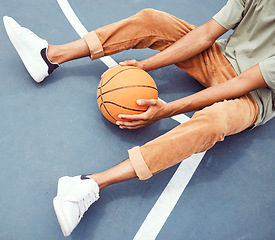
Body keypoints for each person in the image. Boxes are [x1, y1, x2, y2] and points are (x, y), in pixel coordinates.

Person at [3, 0, 275, 237]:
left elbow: (241, 84)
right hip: (221, 58)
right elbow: (206, 34)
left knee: (215, 122)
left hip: (251, 97)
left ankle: (89, 184)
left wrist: (168, 109)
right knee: (152, 20)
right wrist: (143, 66)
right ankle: (49, 56)